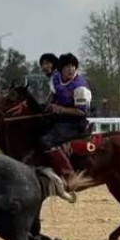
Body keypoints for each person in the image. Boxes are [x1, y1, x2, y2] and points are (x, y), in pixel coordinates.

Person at [39, 53, 92, 181]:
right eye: (68, 66)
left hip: (75, 123)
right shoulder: (56, 78)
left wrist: (61, 109)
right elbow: (54, 94)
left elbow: (81, 112)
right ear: (60, 69)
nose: (71, 69)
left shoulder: (80, 88)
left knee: (47, 141)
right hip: (61, 118)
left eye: (73, 66)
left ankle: (69, 174)